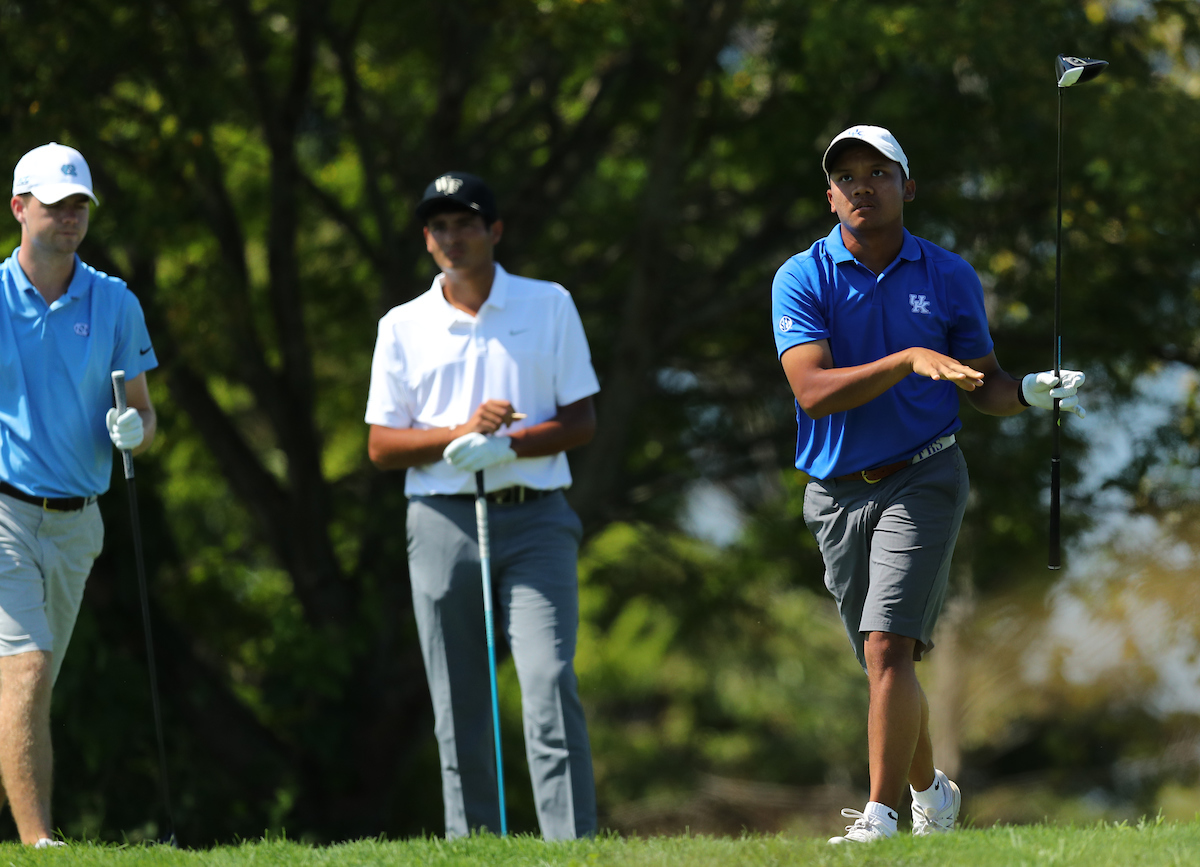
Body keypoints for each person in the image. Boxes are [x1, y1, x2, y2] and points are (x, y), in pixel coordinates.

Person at [771, 125, 1085, 844]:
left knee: (888, 648)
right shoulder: (803, 275)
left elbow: (983, 384)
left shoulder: (947, 275)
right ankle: (929, 789)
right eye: (846, 176)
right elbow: (813, 391)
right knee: (883, 660)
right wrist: (909, 357)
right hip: (834, 491)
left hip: (925, 473)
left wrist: (1032, 392)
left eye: (878, 172)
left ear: (906, 186)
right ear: (829, 196)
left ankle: (880, 817)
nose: (862, 186)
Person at [365, 172, 599, 839]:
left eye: (466, 222)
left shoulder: (548, 304)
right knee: (458, 694)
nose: (452, 236)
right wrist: (460, 436)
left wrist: (509, 444)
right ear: (427, 239)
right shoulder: (403, 325)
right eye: (439, 226)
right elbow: (382, 445)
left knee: (549, 679)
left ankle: (571, 846)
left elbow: (581, 421)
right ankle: (474, 846)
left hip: (536, 518)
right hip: (440, 521)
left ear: (494, 230)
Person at [0, 142, 157, 846]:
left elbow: (144, 411)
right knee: (26, 668)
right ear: (19, 207)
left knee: (27, 690)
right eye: (56, 203)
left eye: (79, 205)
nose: (70, 215)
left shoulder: (115, 300)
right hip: (4, 511)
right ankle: (41, 843)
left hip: (77, 523)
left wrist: (135, 430)